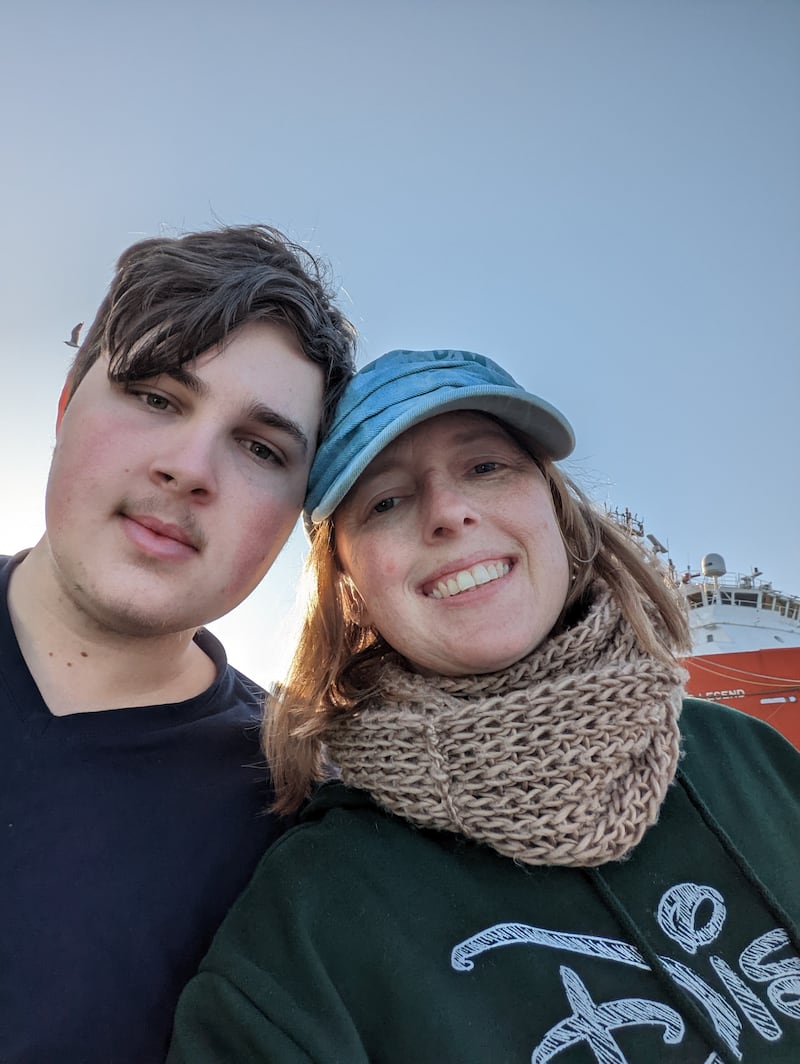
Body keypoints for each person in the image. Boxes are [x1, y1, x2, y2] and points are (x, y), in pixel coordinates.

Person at [168, 349, 800, 1063]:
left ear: (558, 512)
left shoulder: (753, 762)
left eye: (486, 467)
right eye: (386, 500)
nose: (450, 512)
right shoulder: (308, 928)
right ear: (349, 587)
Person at [0, 224, 355, 1063]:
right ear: (63, 403)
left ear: (297, 518)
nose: (191, 466)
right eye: (156, 396)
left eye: (261, 447)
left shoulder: (306, 823)